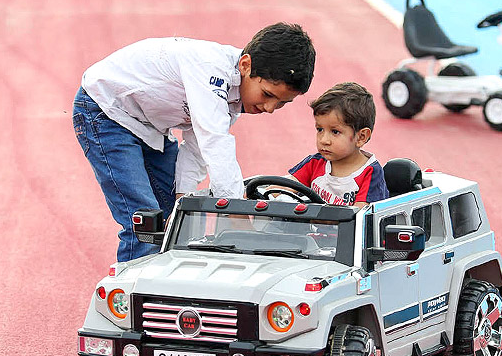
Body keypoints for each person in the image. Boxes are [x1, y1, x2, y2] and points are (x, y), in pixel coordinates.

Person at [72, 22, 316, 262]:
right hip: (105, 112)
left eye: (282, 103)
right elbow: (214, 142)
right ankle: (131, 297)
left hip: (150, 128)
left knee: (176, 220)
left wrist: (182, 198)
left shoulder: (233, 98)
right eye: (268, 95)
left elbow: (196, 147)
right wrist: (238, 215)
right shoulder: (212, 71)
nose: (270, 108)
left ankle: (170, 289)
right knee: (145, 222)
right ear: (245, 65)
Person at [288, 82, 389, 208]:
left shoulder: (370, 173)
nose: (324, 140)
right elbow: (283, 187)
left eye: (335, 132)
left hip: (346, 228)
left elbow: (361, 216)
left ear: (361, 137)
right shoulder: (314, 163)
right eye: (320, 130)